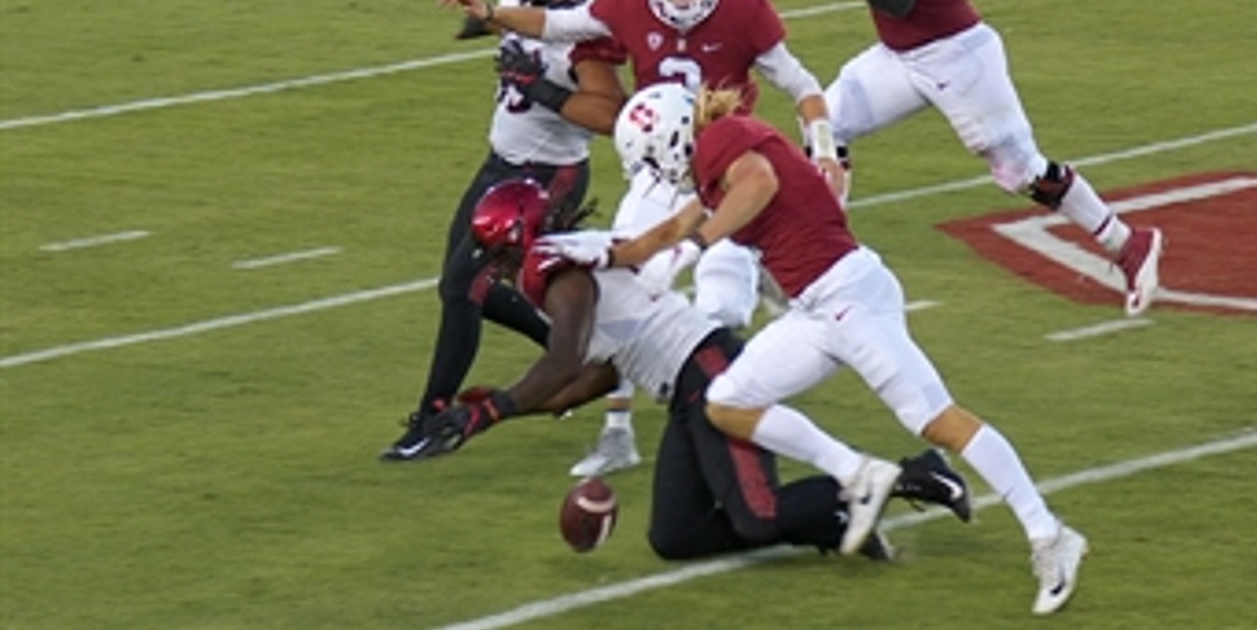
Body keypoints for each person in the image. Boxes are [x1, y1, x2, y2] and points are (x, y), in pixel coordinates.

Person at [541, 82, 1089, 615]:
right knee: (728, 401)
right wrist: (579, 254)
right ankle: (858, 474)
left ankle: (1049, 534)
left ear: (672, 139)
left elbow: (759, 184)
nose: (663, 176)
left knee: (936, 418)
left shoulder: (723, 141)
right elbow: (654, 238)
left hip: (850, 298)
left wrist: (696, 246)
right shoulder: (713, 160)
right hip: (816, 309)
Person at [442, 0, 850, 477]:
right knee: (626, 293)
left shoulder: (747, 14)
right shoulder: (629, 0)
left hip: (724, 174)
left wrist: (826, 149)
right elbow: (557, 24)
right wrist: (493, 15)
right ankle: (618, 432)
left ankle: (740, 411)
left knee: (721, 308)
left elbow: (802, 86)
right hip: (658, 171)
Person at [412, 177, 973, 561]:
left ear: (521, 241)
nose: (503, 270)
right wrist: (500, 410)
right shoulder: (563, 264)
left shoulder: (560, 272)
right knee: (676, 535)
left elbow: (561, 362)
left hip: (707, 372)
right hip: (683, 385)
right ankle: (833, 519)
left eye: (502, 256)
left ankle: (913, 474)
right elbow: (590, 378)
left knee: (758, 514)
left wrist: (491, 411)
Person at [819, 0, 1163, 316]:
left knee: (1022, 171)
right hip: (904, 55)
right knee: (826, 124)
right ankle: (829, 258)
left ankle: (1127, 244)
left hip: (954, 58)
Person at [380, 0, 622, 461]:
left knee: (465, 286)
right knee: (461, 286)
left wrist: (536, 86)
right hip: (501, 162)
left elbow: (611, 116)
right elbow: (507, 25)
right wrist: (481, 23)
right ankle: (576, 359)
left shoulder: (589, 33)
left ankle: (434, 416)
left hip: (550, 173)